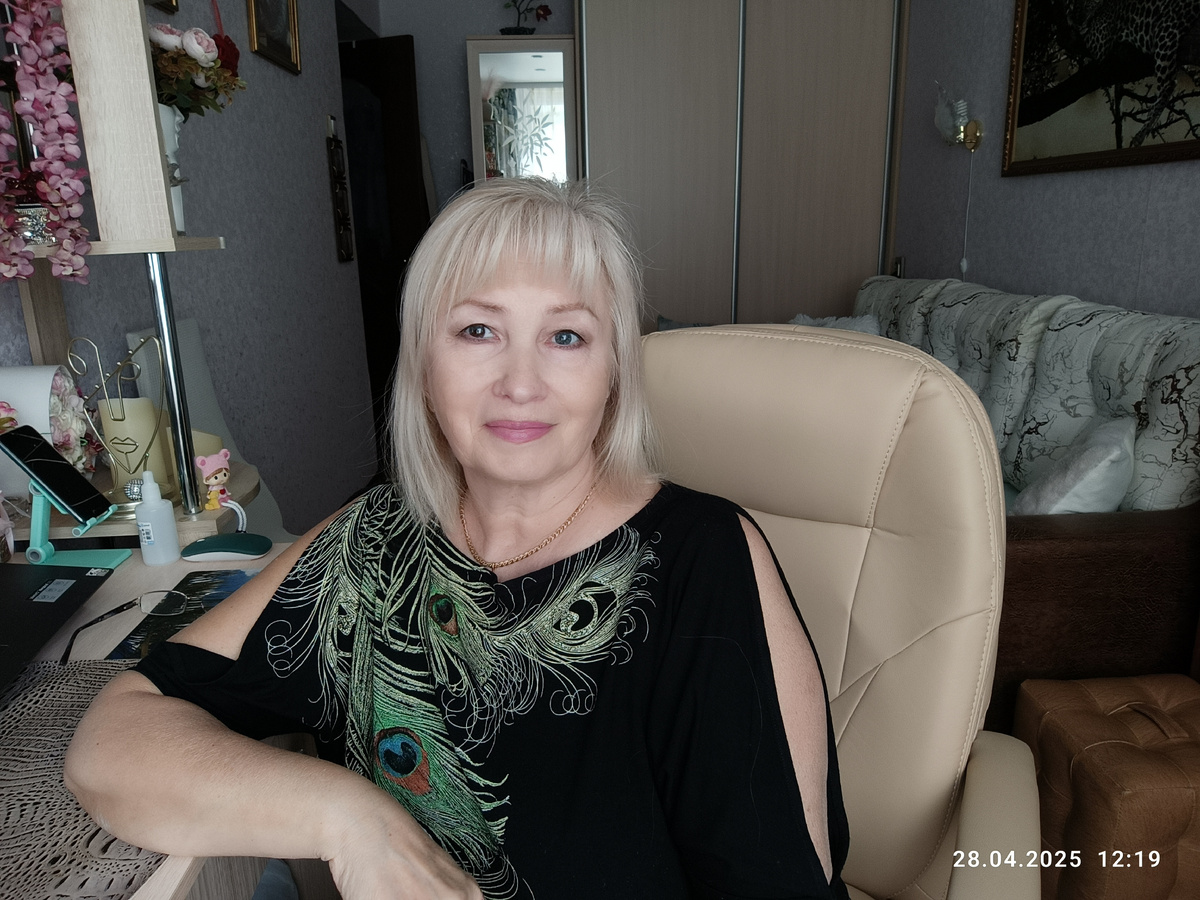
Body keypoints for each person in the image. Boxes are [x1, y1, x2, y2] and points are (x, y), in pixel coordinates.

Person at [65, 178, 850, 899]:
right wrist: (349, 819)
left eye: (566, 337)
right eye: (478, 330)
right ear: (424, 367)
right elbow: (115, 739)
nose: (521, 383)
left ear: (614, 371)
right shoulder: (371, 544)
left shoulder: (705, 558)